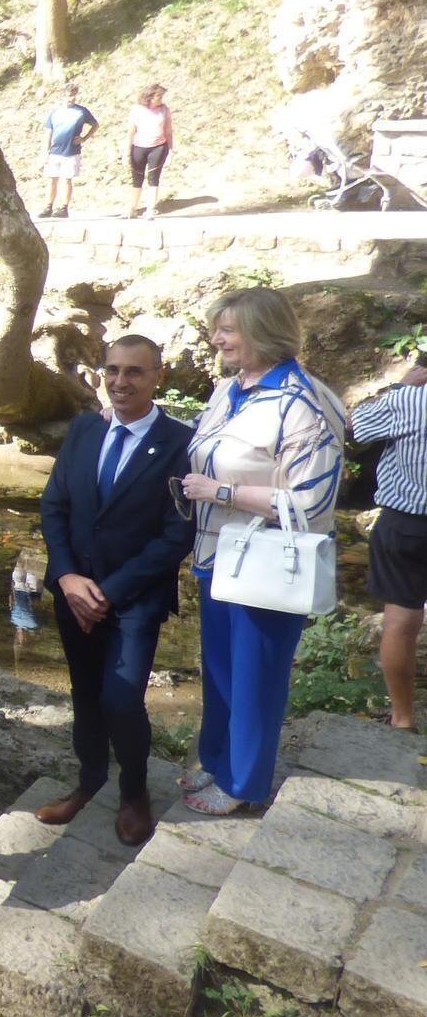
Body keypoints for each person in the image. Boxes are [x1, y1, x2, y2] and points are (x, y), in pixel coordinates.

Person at [176, 287, 346, 815]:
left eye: (228, 330)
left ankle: (243, 784)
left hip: (267, 565)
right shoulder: (230, 389)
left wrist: (223, 493)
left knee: (255, 680)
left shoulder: (304, 403)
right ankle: (217, 760)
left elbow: (312, 503)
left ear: (262, 332)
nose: (216, 339)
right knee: (222, 673)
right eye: (217, 328)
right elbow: (207, 447)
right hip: (215, 558)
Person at [36, 335, 196, 844]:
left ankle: (134, 792)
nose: (120, 381)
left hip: (135, 598)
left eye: (134, 372)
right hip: (73, 591)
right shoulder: (84, 429)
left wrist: (107, 592)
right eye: (112, 370)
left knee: (122, 698)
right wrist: (66, 576)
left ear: (158, 377)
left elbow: (177, 534)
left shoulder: (182, 443)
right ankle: (88, 783)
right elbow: (54, 506)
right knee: (85, 694)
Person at [351, 366, 427, 731]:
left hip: (407, 524)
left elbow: (356, 427)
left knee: (400, 624)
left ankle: (403, 718)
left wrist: (399, 386)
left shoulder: (409, 400)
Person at [40, 83, 100, 218]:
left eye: (73, 95)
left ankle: (64, 208)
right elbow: (48, 132)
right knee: (52, 179)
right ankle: (48, 207)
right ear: (63, 96)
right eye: (68, 96)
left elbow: (95, 125)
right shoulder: (55, 112)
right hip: (55, 151)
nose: (71, 98)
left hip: (72, 151)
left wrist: (84, 138)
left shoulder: (82, 111)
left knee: (67, 179)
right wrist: (45, 151)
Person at [126, 84, 175, 221]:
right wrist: (127, 151)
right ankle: (132, 208)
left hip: (158, 147)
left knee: (153, 178)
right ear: (149, 97)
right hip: (139, 147)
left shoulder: (164, 110)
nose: (161, 99)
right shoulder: (137, 109)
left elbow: (168, 131)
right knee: (137, 178)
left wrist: (171, 151)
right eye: (158, 97)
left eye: (161, 97)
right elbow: (131, 131)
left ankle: (150, 209)